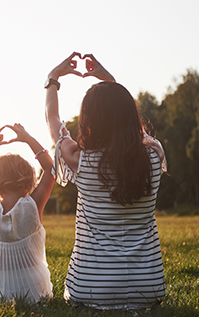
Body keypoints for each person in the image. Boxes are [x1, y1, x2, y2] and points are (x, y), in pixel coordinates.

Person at [44, 52, 167, 310]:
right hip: (148, 289)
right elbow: (137, 131)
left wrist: (53, 79)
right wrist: (109, 81)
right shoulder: (154, 155)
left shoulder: (81, 160)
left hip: (90, 291)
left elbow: (52, 121)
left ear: (89, 121)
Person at [0, 123, 54, 303]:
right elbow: (50, 169)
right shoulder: (33, 205)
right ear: (29, 180)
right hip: (35, 292)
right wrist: (28, 138)